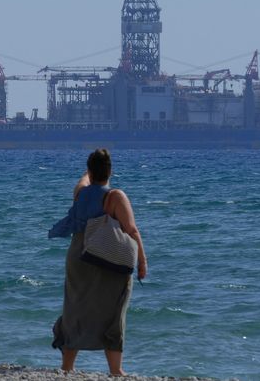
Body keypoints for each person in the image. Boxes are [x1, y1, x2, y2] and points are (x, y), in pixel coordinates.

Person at [48, 148, 147, 376]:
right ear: (110, 171)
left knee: (75, 308)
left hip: (78, 255)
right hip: (106, 257)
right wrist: (142, 261)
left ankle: (67, 367)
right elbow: (131, 230)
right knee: (114, 308)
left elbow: (83, 181)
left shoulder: (80, 193)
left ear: (90, 172)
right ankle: (115, 369)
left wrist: (89, 171)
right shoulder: (115, 197)